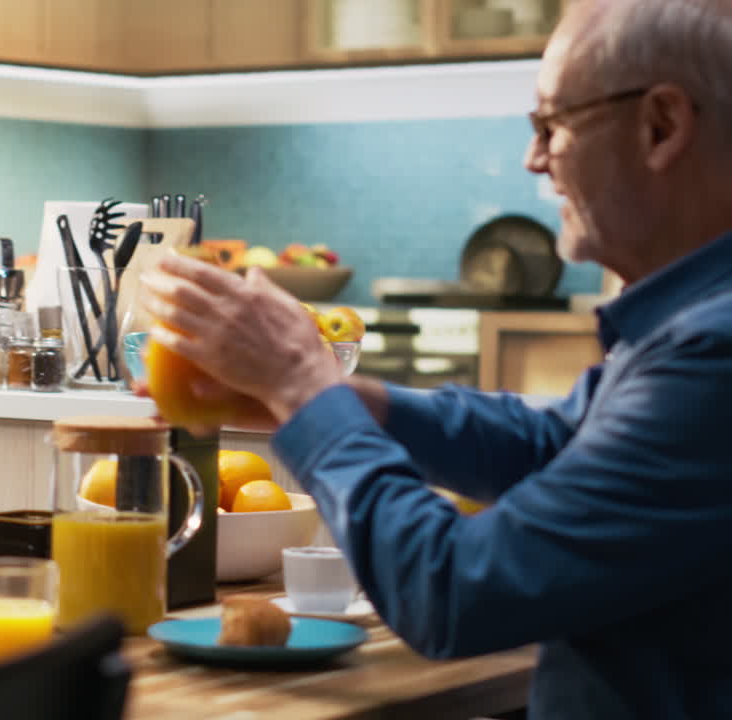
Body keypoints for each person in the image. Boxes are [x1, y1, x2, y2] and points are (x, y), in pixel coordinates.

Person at [138, 1, 732, 717]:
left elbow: (455, 591)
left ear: (661, 126)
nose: (533, 158)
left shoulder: (712, 356)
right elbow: (551, 446)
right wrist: (343, 403)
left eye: (552, 125)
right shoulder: (688, 323)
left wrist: (305, 387)